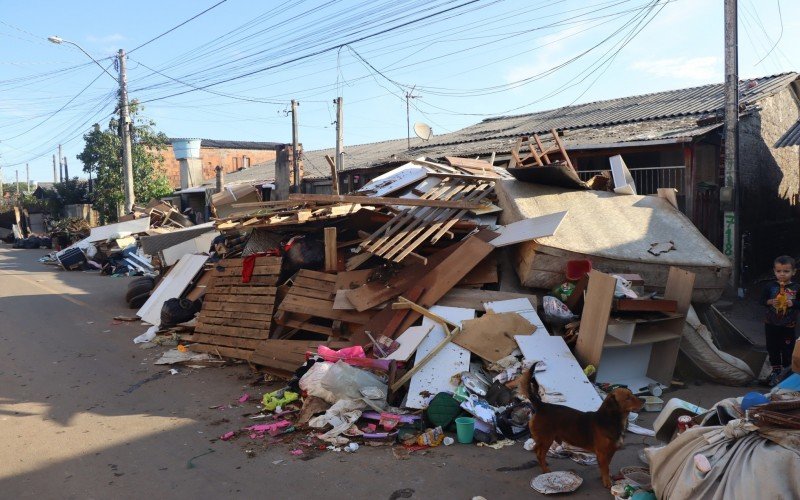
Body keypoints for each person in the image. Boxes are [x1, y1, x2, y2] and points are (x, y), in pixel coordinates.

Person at [761, 255, 800, 385]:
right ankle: (775, 372)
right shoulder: (769, 286)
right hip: (771, 324)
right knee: (772, 348)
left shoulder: (797, 288)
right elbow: (761, 301)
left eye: (786, 271)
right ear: (774, 271)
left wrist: (793, 304)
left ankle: (787, 373)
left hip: (788, 325)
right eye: (779, 271)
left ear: (794, 272)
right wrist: (770, 301)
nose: (782, 274)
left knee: (788, 349)